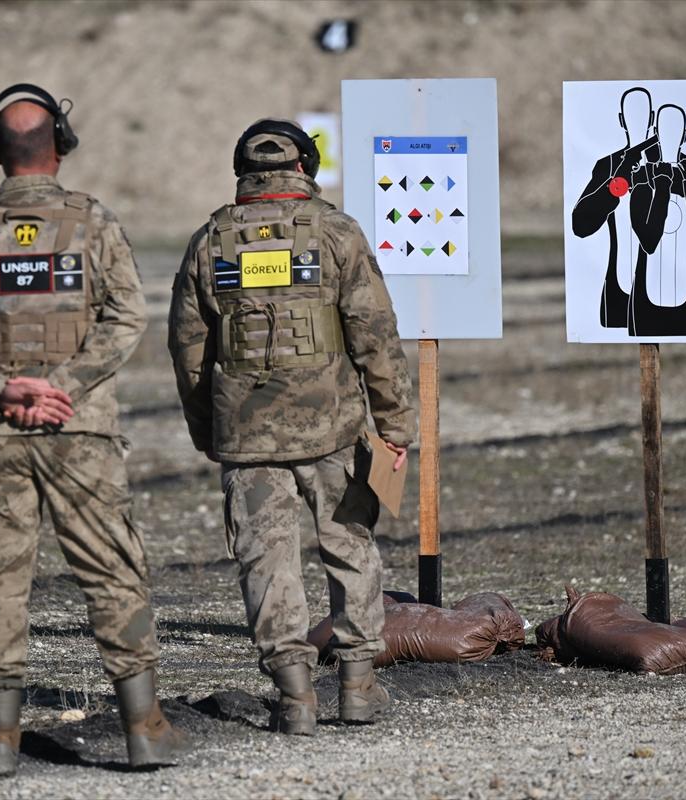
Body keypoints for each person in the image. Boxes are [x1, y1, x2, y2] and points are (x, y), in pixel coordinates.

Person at [0, 84, 186, 775]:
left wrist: (1, 389)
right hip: (82, 431)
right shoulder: (93, 223)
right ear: (60, 145)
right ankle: (144, 729)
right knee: (111, 571)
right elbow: (126, 317)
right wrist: (64, 389)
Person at [167, 119, 416, 735]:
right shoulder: (335, 233)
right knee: (350, 546)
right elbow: (375, 336)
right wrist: (395, 426)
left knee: (265, 559)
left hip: (246, 435)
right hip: (334, 428)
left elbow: (188, 346)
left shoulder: (210, 240)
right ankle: (357, 687)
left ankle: (294, 697)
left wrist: (208, 428)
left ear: (242, 171)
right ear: (305, 167)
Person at [571, 86, 663, 329]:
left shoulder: (670, 164)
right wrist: (617, 183)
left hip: (662, 288)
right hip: (620, 288)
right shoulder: (609, 165)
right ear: (622, 120)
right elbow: (581, 224)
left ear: (653, 119)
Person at [627, 103, 686, 337]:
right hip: (646, 300)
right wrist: (663, 187)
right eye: (666, 129)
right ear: (655, 132)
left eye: (676, 130)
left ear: (684, 136)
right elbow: (649, 241)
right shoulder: (643, 177)